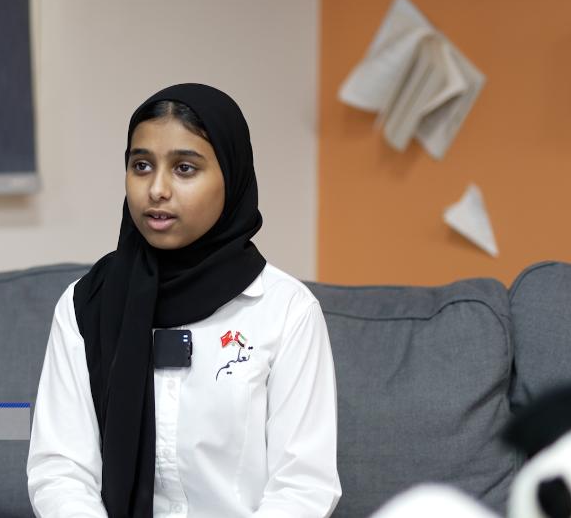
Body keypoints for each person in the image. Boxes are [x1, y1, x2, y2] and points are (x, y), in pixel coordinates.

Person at [26, 83, 341, 518]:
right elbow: (61, 470)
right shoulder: (86, 304)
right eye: (141, 165)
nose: (157, 189)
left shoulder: (285, 311)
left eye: (185, 168)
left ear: (231, 176)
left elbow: (303, 486)